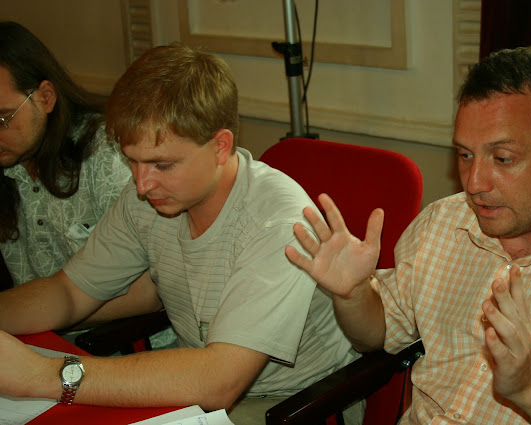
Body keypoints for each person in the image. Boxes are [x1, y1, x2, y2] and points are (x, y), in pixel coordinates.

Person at [0, 43, 362, 425]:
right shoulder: (150, 198)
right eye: (133, 161)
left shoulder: (276, 222)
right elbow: (69, 292)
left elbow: (219, 379)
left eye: (163, 164)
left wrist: (45, 376)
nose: (142, 184)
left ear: (220, 146)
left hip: (296, 404)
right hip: (201, 392)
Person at [286, 46, 531, 424]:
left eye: (502, 158)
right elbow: (376, 334)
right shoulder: (442, 223)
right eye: (465, 155)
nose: (474, 184)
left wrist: (530, 385)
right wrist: (353, 294)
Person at [0, 21, 166, 337]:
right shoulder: (9, 161)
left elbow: (149, 293)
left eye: (2, 119)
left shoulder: (108, 155)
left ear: (45, 98)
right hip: (39, 335)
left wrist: (34, 319)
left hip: (124, 345)